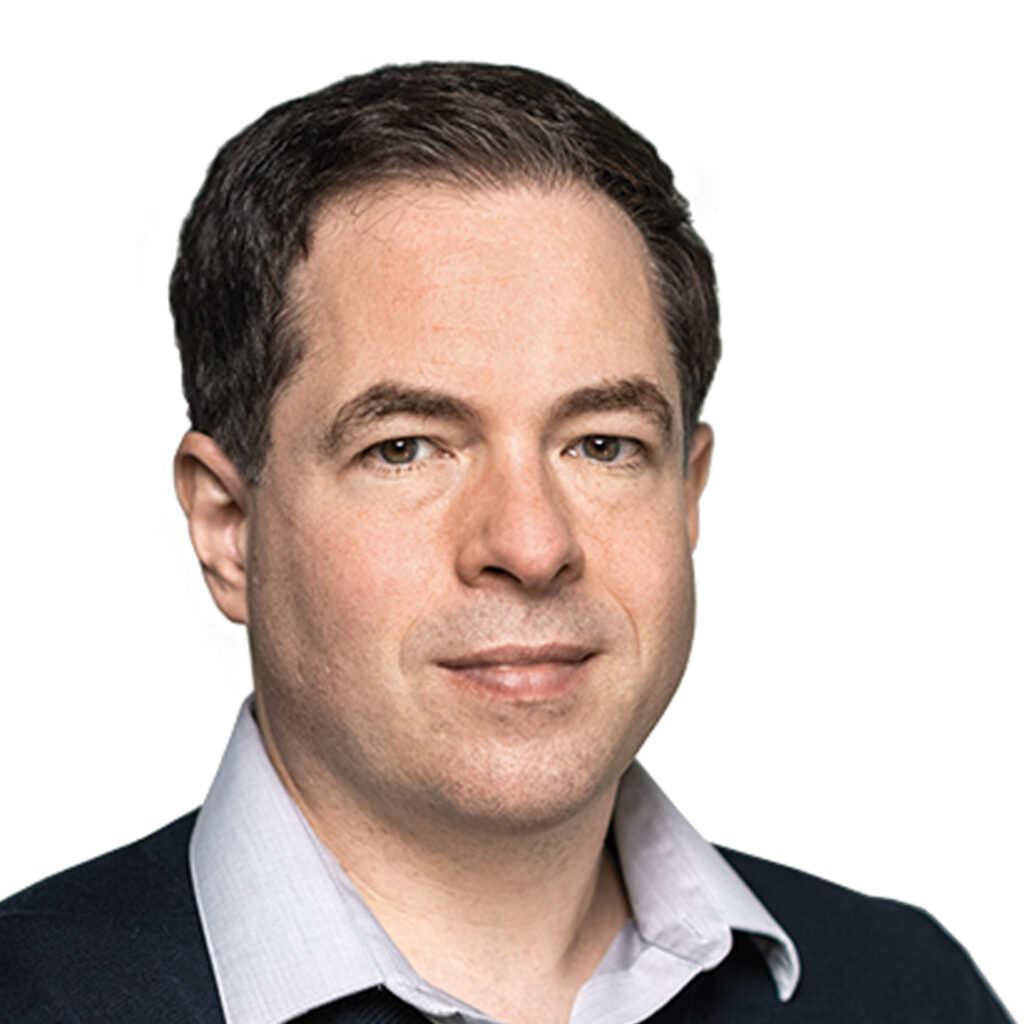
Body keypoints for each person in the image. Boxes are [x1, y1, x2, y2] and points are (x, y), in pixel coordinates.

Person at [0, 62, 1012, 1024]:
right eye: (406, 448)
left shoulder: (906, 992)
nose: (530, 544)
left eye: (603, 444)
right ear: (228, 528)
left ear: (686, 494)